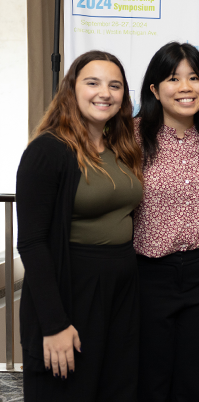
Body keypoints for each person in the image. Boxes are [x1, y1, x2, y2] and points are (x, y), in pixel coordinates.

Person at [16, 50, 144, 401]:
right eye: (93, 83)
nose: (105, 92)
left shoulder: (122, 147)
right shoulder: (48, 150)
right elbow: (31, 242)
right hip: (73, 289)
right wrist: (54, 324)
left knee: (115, 390)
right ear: (71, 90)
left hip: (121, 291)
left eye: (115, 85)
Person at [133, 42, 199, 402]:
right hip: (150, 274)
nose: (186, 87)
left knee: (191, 379)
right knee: (151, 380)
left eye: (195, 78)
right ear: (155, 89)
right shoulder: (133, 136)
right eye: (173, 78)